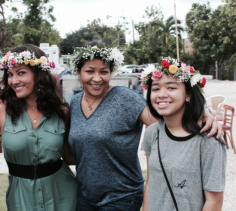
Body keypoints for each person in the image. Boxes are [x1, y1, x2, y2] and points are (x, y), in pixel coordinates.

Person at [66, 42, 220, 211]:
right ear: (78, 73)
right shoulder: (74, 103)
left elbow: (166, 117)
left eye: (104, 71)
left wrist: (202, 111)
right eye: (89, 71)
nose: (97, 78)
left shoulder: (126, 99)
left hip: (121, 197)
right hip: (85, 196)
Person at [0, 45, 77, 211]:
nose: (14, 81)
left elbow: (69, 157)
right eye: (10, 74)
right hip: (20, 198)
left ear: (39, 74)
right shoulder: (1, 108)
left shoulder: (62, 111)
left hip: (63, 195)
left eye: (21, 72)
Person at [139, 58, 225, 211]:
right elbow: (151, 183)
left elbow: (214, 202)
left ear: (188, 95)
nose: (161, 94)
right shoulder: (152, 133)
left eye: (171, 88)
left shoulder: (208, 138)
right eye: (156, 88)